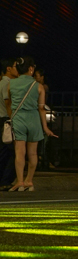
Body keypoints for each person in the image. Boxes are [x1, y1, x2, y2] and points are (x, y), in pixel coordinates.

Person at [8, 57, 57, 191]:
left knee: (19, 152)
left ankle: (20, 181)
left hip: (18, 118)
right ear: (30, 69)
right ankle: (29, 180)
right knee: (33, 153)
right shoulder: (39, 86)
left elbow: (10, 102)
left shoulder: (11, 84)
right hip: (34, 119)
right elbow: (41, 108)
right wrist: (45, 128)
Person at [0, 59, 18, 190]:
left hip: (2, 119)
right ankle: (5, 180)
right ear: (8, 69)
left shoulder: (2, 82)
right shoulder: (7, 83)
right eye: (15, 66)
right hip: (6, 120)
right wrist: (13, 119)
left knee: (4, 151)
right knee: (12, 151)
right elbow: (8, 103)